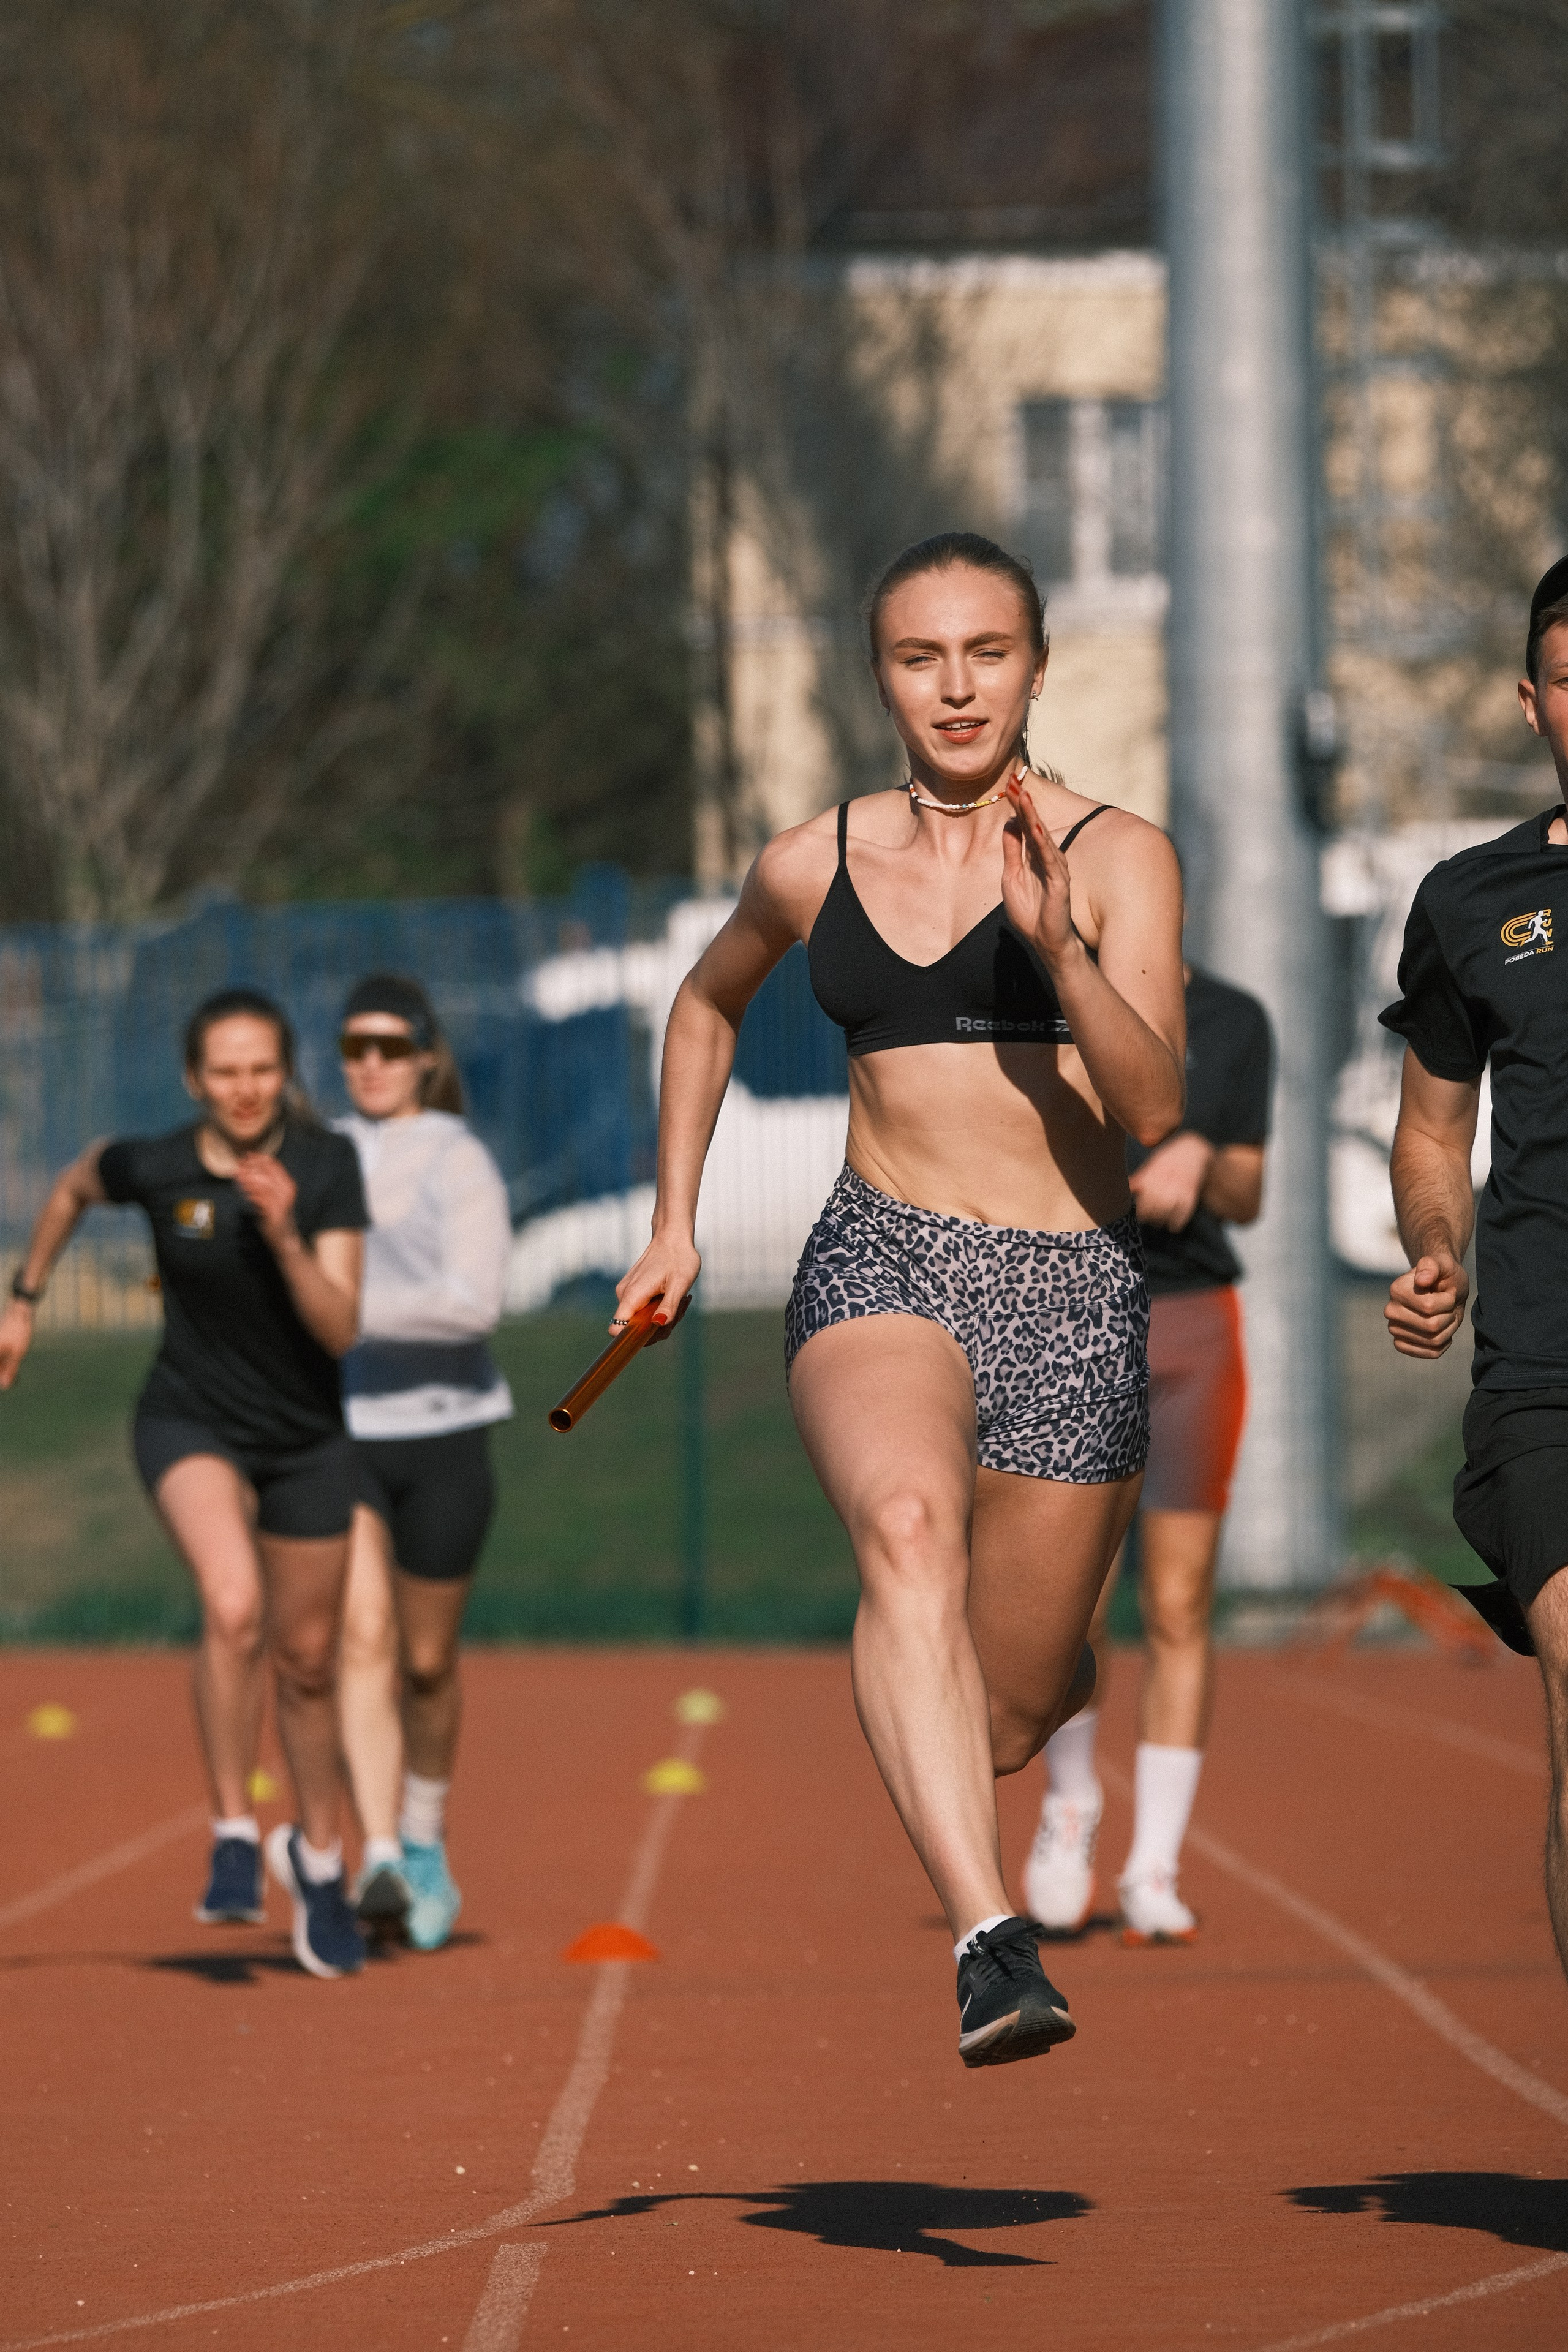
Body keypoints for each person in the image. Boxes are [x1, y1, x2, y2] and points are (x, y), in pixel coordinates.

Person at [616, 532, 1185, 2067]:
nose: (953, 686)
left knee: (1005, 1718)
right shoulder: (812, 860)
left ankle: (1061, 1670)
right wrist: (671, 1218)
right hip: (887, 1256)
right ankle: (991, 1944)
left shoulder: (1118, 853)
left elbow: (1146, 1105)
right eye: (920, 657)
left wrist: (1060, 952)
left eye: (983, 653)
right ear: (881, 677)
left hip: (1072, 1290)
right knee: (905, 1534)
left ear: (1035, 667)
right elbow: (704, 1000)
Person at [0, 989, 370, 1979]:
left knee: (308, 1664)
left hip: (305, 1440)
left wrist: (285, 1233)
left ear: (285, 1073)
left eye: (261, 1069)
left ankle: (322, 1863)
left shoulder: (326, 1166)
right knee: (230, 1599)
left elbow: (340, 1330)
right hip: (188, 1420)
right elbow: (76, 1186)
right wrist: (23, 1300)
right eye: (224, 1071)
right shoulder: (157, 1165)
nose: (245, 1089)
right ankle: (234, 1834)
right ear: (193, 1080)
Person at [1382, 553, 1568, 1990]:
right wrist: (1433, 1249)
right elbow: (1432, 1130)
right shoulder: (1470, 901)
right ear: (1530, 700)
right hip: (1542, 1369)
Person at [1024, 962, 1273, 1944]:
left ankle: (1156, 1867)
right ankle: (1070, 1807)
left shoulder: (1232, 1016)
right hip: (1072, 1312)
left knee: (1178, 1602)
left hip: (1194, 1326)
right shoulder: (1035, 1010)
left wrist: (1200, 1155)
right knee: (1072, 1610)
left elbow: (1250, 1193)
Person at [333, 975, 514, 1953]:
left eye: (390, 1047)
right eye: (355, 1046)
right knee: (360, 1641)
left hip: (445, 1432)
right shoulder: (315, 1152)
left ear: (426, 1057)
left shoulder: (460, 1160)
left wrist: (339, 1317)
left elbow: (474, 1304)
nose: (371, 1064)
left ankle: (426, 1842)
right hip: (343, 1431)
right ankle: (377, 1853)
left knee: (428, 1662)